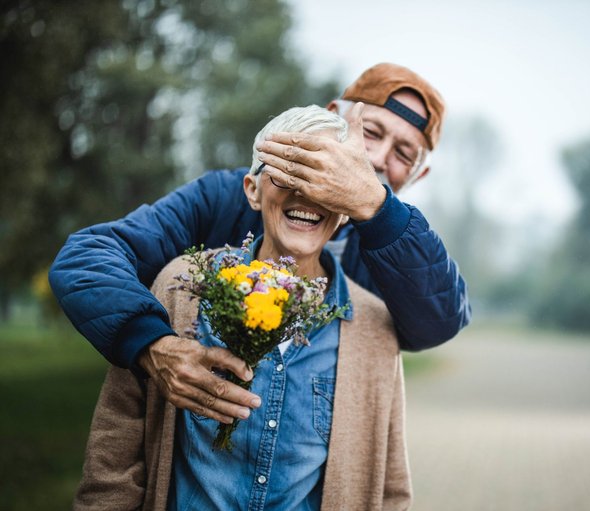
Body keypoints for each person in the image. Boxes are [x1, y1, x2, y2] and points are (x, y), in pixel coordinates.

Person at [67, 106, 428, 511]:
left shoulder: (374, 330)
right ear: (252, 191)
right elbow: (110, 481)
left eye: (323, 178)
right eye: (287, 170)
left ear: (343, 212)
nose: (305, 191)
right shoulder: (179, 288)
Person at [49, 62, 469, 425]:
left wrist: (377, 210)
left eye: (403, 154)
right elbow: (87, 258)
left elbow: (438, 320)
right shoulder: (223, 198)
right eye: (371, 133)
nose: (377, 159)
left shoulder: (395, 245)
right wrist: (152, 345)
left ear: (418, 176)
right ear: (331, 119)